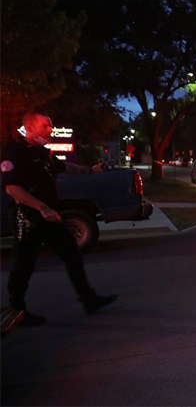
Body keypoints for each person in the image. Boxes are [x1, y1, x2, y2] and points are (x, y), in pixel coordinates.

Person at [1, 112, 117, 326]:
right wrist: (42, 207)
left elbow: (65, 167)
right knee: (23, 265)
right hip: (27, 218)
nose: (50, 130)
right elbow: (12, 188)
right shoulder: (15, 152)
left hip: (50, 217)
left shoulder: (42, 153)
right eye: (45, 126)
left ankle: (88, 299)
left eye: (51, 126)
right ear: (30, 127)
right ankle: (17, 312)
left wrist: (90, 170)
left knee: (72, 255)